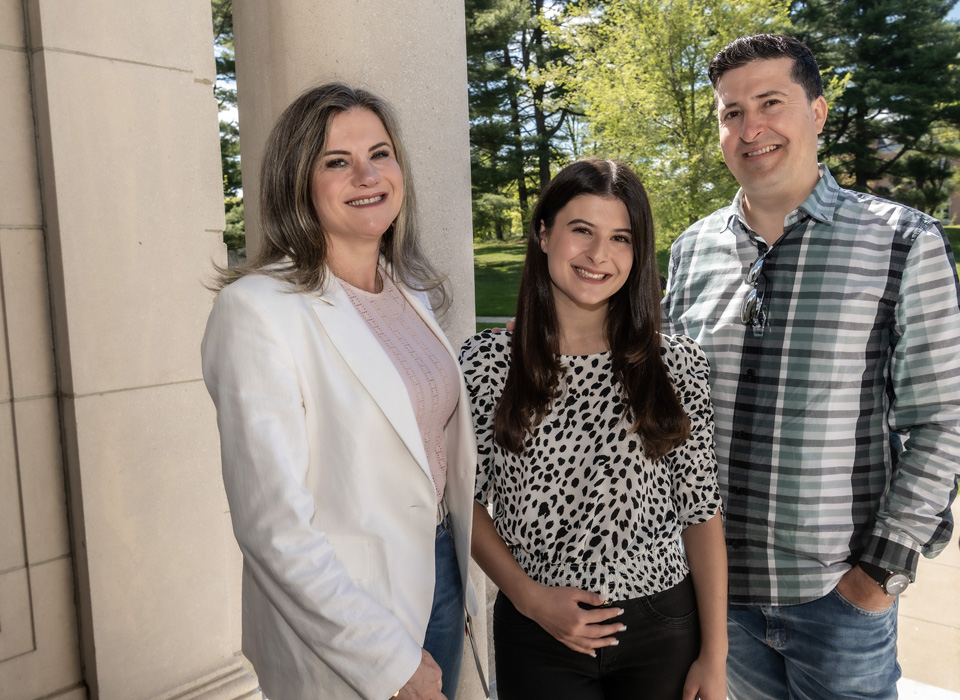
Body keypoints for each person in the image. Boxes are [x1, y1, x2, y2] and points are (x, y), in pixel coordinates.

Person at [662, 34, 960, 700]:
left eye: (770, 103)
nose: (750, 128)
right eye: (731, 112)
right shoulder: (692, 250)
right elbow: (660, 406)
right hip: (715, 605)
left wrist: (878, 576)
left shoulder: (901, 240)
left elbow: (946, 419)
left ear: (818, 112)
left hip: (837, 604)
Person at [201, 83, 477, 700]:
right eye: (336, 161)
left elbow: (423, 433)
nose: (367, 174)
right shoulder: (256, 311)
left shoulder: (409, 288)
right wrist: (386, 660)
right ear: (298, 181)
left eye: (380, 153)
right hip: (350, 618)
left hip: (439, 572)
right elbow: (273, 527)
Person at [460, 158, 728, 700]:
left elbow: (701, 513)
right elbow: (461, 499)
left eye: (621, 238)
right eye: (581, 230)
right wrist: (529, 598)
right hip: (536, 630)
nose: (599, 255)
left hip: (663, 628)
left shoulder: (676, 364)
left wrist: (715, 656)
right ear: (543, 233)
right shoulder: (487, 363)